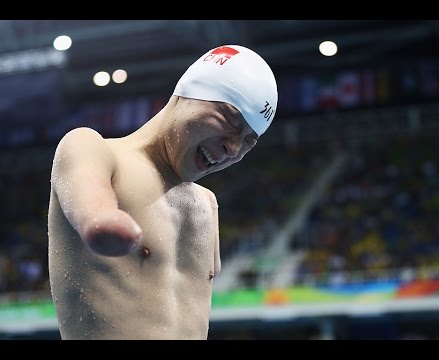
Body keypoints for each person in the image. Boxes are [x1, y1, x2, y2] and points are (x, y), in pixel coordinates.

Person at [47, 45, 278, 340]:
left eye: (248, 141)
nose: (233, 148)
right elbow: (94, 212)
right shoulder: (93, 149)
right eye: (230, 121)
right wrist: (103, 222)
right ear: (188, 93)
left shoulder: (207, 204)